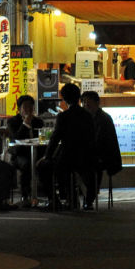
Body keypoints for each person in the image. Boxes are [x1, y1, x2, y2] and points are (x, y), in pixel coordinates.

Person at [38, 82, 97, 210]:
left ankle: (55, 200)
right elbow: (92, 137)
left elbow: (55, 138)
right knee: (69, 170)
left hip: (67, 158)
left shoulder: (63, 116)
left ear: (64, 99)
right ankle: (76, 199)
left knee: (42, 167)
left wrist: (47, 156)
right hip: (86, 158)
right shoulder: (88, 115)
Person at [5, 93, 46, 206]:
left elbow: (42, 139)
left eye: (31, 107)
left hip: (36, 153)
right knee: (27, 164)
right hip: (19, 154)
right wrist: (26, 123)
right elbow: (17, 139)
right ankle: (25, 195)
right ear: (19, 109)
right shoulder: (12, 122)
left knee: (45, 164)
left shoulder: (38, 122)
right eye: (25, 107)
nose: (28, 109)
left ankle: (48, 196)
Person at [81, 90, 122, 195]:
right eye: (83, 102)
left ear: (97, 103)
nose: (86, 105)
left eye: (88, 102)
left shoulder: (104, 119)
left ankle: (90, 195)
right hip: (93, 154)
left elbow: (101, 143)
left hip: (105, 157)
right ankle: (88, 192)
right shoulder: (86, 118)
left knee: (88, 165)